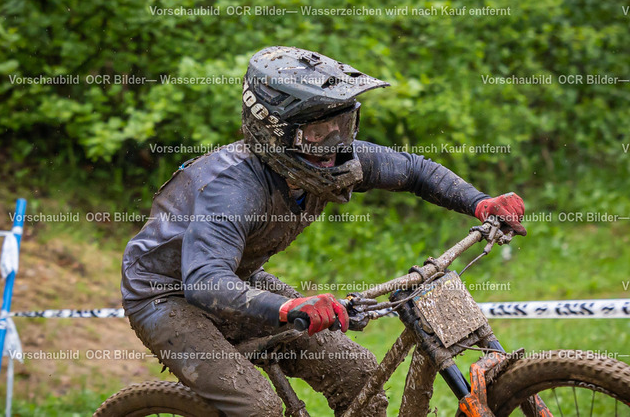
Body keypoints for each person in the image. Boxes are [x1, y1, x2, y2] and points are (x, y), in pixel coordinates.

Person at [121, 46, 526, 416]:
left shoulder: (330, 161)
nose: (335, 143)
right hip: (166, 295)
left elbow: (415, 171)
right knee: (257, 407)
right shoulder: (231, 189)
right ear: (277, 132)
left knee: (359, 375)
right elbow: (205, 282)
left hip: (239, 281)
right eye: (319, 133)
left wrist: (482, 203)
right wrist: (287, 308)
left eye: (343, 124)